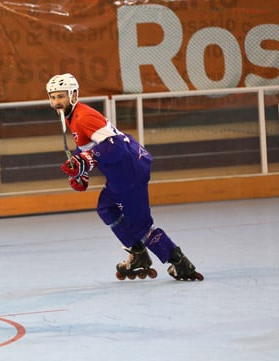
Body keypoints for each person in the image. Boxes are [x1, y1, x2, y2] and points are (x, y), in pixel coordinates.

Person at [46, 73, 203, 281]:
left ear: (73, 95)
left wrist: (86, 161)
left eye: (61, 96)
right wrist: (80, 167)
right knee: (106, 208)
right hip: (123, 169)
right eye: (53, 97)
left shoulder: (83, 116)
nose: (57, 102)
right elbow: (87, 145)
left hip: (127, 171)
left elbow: (115, 147)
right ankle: (137, 253)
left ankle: (179, 262)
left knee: (141, 225)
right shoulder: (72, 117)